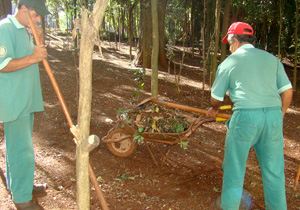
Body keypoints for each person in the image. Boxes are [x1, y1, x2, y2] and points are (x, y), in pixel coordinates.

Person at [206, 22, 293, 210]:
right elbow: (287, 91)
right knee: (274, 172)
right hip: (272, 118)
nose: (229, 48)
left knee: (234, 169)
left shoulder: (229, 63)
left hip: (245, 118)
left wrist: (214, 109)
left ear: (235, 41)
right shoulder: (272, 60)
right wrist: (281, 113)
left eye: (229, 44)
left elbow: (215, 98)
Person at [0, 0, 50, 209]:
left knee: (17, 148)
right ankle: (22, 199)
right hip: (14, 101)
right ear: (23, 9)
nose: (38, 19)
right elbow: (2, 65)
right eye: (36, 14)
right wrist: (32, 57)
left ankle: (20, 185)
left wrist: (37, 35)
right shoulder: (5, 28)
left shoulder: (25, 29)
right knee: (22, 151)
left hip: (26, 100)